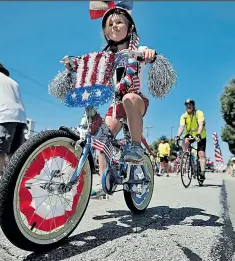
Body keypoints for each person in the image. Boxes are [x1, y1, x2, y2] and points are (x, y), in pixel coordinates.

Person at [76, 4, 156, 196]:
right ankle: (104, 181)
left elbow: (149, 54)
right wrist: (77, 65)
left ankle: (136, 147)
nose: (114, 26)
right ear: (106, 32)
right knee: (101, 137)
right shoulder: (106, 57)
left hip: (136, 101)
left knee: (128, 98)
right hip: (115, 106)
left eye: (119, 22)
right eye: (110, 24)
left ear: (130, 28)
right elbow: (93, 68)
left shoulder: (139, 50)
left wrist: (149, 54)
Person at [175, 99, 207, 180]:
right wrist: (178, 136)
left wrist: (198, 134)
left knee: (201, 154)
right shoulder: (184, 116)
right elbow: (181, 127)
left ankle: (202, 172)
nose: (188, 106)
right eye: (187, 105)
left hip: (200, 135)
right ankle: (188, 158)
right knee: (184, 143)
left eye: (190, 104)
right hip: (189, 134)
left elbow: (201, 124)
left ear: (193, 105)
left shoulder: (199, 113)